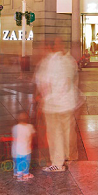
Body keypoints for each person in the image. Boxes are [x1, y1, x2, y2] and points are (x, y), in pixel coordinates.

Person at [35, 38, 80, 172]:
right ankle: (69, 158)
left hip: (54, 105)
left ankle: (58, 163)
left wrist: (44, 99)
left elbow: (45, 83)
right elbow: (71, 81)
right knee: (66, 132)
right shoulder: (69, 60)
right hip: (67, 104)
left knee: (55, 134)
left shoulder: (50, 62)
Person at [11, 110, 35, 180]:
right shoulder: (29, 127)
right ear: (27, 118)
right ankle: (25, 174)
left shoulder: (15, 127)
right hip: (25, 150)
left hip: (15, 150)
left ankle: (16, 173)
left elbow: (14, 137)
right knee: (25, 162)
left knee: (17, 162)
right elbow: (32, 135)